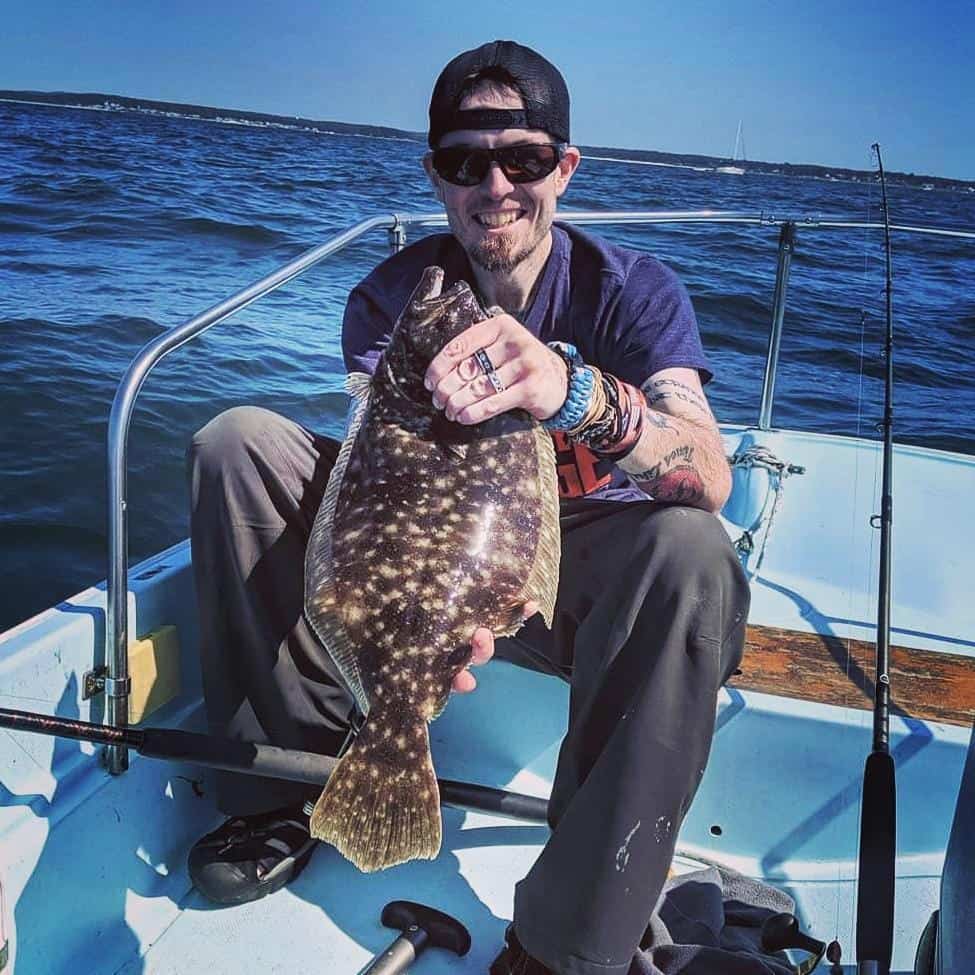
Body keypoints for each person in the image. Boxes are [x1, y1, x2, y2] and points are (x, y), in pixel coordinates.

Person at [185, 39, 749, 975]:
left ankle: (569, 940)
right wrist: (424, 624)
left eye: (522, 158)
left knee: (691, 552)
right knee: (236, 441)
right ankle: (285, 783)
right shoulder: (395, 294)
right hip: (431, 561)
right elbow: (382, 493)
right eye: (463, 161)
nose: (495, 184)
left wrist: (567, 389)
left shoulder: (631, 290)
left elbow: (707, 471)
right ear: (436, 176)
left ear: (563, 169)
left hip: (586, 572)